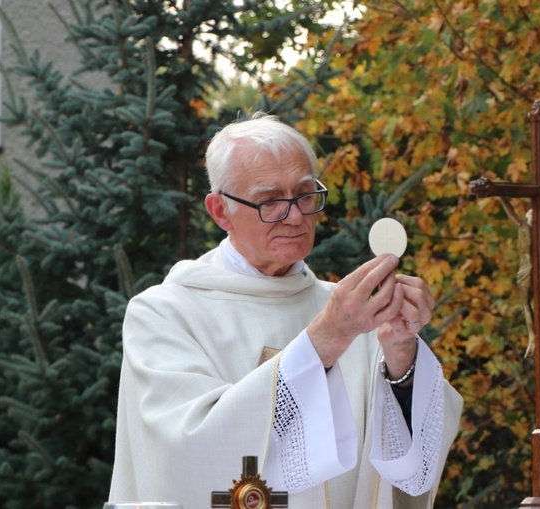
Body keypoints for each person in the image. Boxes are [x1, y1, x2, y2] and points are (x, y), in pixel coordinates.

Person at [108, 113, 463, 509]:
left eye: (305, 195)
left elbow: (412, 462)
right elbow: (185, 453)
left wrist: (401, 357)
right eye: (270, 200)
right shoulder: (164, 313)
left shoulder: (353, 311)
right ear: (220, 211)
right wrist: (326, 339)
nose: (295, 216)